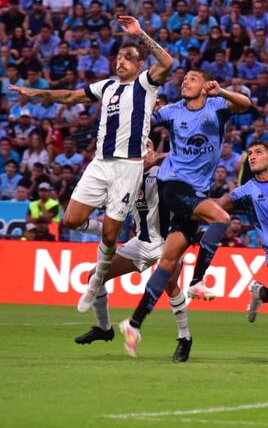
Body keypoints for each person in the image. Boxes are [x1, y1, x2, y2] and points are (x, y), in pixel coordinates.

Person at [9, 16, 171, 255]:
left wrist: (139, 33)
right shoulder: (106, 86)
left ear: (140, 65)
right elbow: (71, 97)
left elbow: (167, 62)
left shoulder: (145, 84)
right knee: (71, 220)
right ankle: (105, 229)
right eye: (118, 57)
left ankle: (101, 280)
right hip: (101, 162)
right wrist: (36, 92)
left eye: (128, 58)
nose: (121, 62)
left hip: (128, 165)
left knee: (111, 236)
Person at [114, 70, 250, 353]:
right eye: (184, 79)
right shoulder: (173, 111)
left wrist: (221, 91)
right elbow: (143, 124)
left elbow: (246, 104)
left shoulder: (216, 106)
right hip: (173, 185)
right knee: (221, 218)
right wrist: (140, 105)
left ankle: (134, 323)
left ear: (204, 85)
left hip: (197, 193)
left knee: (167, 263)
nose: (185, 82)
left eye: (192, 79)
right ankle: (198, 282)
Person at [73, 142, 194, 362]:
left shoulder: (163, 172)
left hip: (168, 243)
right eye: (140, 146)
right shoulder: (126, 178)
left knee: (170, 284)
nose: (142, 150)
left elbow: (183, 155)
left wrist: (159, 157)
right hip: (140, 242)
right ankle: (104, 328)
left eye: (147, 146)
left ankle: (184, 338)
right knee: (95, 276)